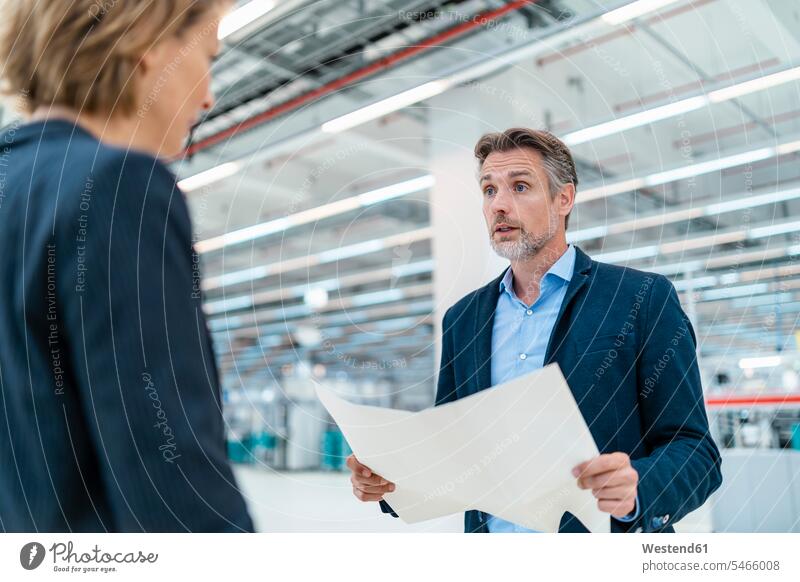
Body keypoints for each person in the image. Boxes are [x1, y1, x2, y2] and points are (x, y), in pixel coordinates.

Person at [346, 128, 722, 533]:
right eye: (489, 191)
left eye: (520, 186)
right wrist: (390, 482)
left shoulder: (641, 299)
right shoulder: (463, 319)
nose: (499, 206)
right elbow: (451, 455)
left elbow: (696, 452)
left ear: (564, 199)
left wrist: (639, 489)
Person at [0, 0, 253, 532]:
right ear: (149, 43)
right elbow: (168, 472)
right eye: (206, 57)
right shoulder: (119, 188)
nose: (207, 96)